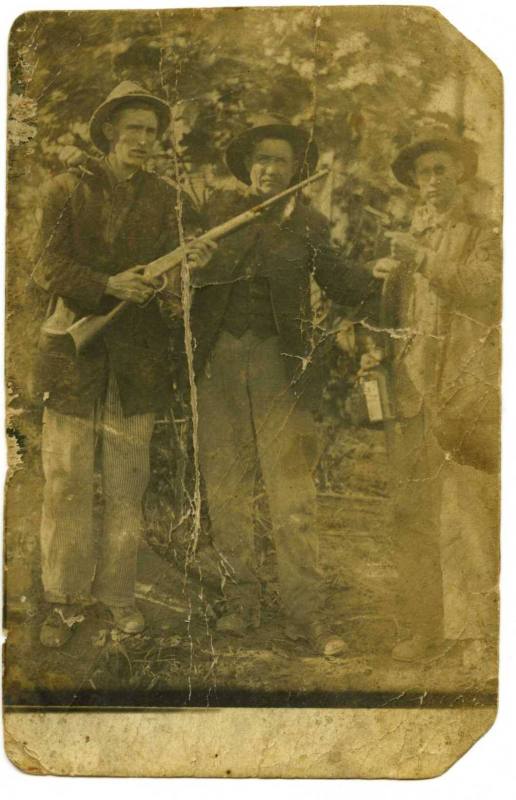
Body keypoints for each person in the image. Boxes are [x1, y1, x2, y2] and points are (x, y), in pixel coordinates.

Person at [186, 115, 375, 656]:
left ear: (297, 170)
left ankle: (306, 611)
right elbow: (181, 278)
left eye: (280, 161)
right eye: (261, 159)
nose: (269, 168)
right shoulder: (217, 213)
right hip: (218, 362)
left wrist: (381, 279)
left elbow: (343, 283)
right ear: (250, 166)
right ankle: (239, 599)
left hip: (278, 366)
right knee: (226, 487)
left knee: (292, 493)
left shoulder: (309, 224)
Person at [32, 81, 209, 647]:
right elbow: (45, 267)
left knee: (128, 484)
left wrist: (184, 270)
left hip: (137, 363)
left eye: (151, 132)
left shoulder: (167, 198)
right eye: (132, 128)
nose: (142, 139)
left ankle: (118, 597)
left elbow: (175, 289)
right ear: (109, 131)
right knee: (65, 483)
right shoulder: (64, 189)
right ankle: (63, 603)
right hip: (73, 356)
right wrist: (108, 283)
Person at [372, 125, 500, 663]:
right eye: (422, 173)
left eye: (441, 169)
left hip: (462, 392)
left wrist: (421, 258)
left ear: (460, 174)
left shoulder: (485, 232)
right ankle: (424, 628)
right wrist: (385, 277)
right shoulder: (411, 233)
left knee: (466, 510)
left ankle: (476, 636)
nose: (431, 180)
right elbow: (397, 318)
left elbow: (488, 290)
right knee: (412, 509)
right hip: (411, 390)